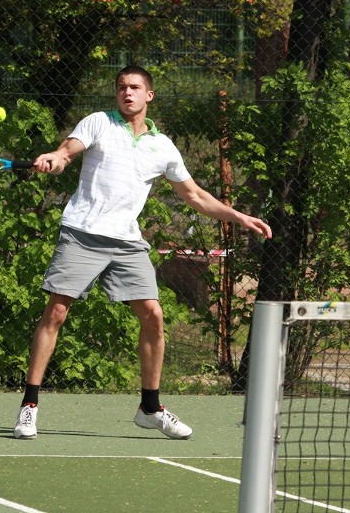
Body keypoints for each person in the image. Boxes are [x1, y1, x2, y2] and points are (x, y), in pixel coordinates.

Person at [14, 65, 272, 440]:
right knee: (56, 311)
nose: (127, 93)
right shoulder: (99, 122)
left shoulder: (162, 147)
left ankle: (150, 408)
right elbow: (68, 152)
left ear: (149, 95)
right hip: (83, 232)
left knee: (153, 315)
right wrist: (55, 158)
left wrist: (238, 216)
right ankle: (29, 406)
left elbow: (195, 195)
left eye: (135, 88)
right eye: (121, 87)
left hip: (127, 241)